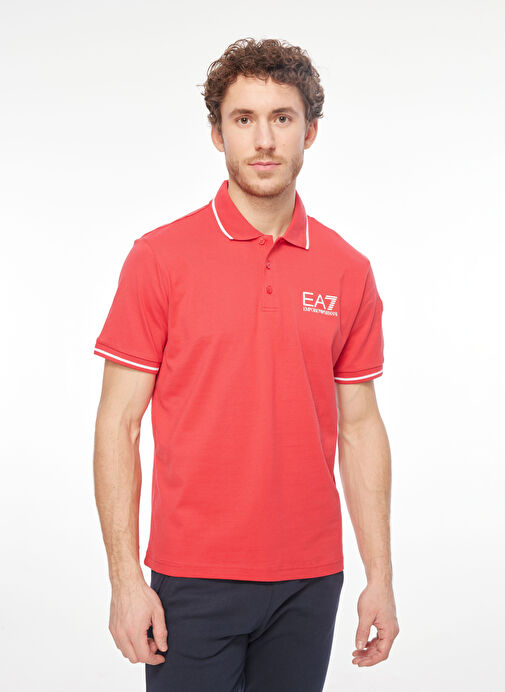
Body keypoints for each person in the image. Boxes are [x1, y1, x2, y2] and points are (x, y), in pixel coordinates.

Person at [93, 37, 399, 692]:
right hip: (191, 577)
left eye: (281, 118)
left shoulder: (347, 270)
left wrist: (380, 576)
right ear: (217, 134)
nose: (263, 140)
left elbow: (360, 426)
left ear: (309, 132)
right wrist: (124, 580)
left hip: (310, 579)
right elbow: (118, 424)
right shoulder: (159, 259)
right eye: (243, 119)